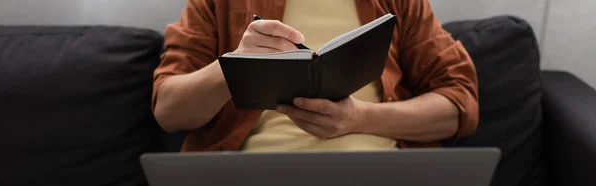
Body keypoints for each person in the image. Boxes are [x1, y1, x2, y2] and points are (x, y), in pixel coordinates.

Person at [152, 0, 479, 151]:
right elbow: (168, 111)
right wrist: (234, 65)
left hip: (375, 169)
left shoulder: (401, 3)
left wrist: (360, 118)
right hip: (258, 172)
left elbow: (459, 102)